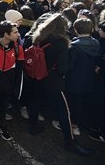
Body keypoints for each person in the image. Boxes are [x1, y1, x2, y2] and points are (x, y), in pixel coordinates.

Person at [28, 14, 93, 156]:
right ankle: (70, 142)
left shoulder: (39, 37)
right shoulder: (61, 42)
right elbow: (63, 68)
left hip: (38, 75)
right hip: (54, 81)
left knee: (36, 101)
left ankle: (33, 126)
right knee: (64, 112)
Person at [66, 19, 102, 138]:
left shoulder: (74, 46)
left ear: (75, 30)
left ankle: (72, 125)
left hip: (74, 79)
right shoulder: (97, 43)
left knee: (72, 103)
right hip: (90, 79)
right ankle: (79, 124)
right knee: (83, 102)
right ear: (92, 29)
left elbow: (70, 65)